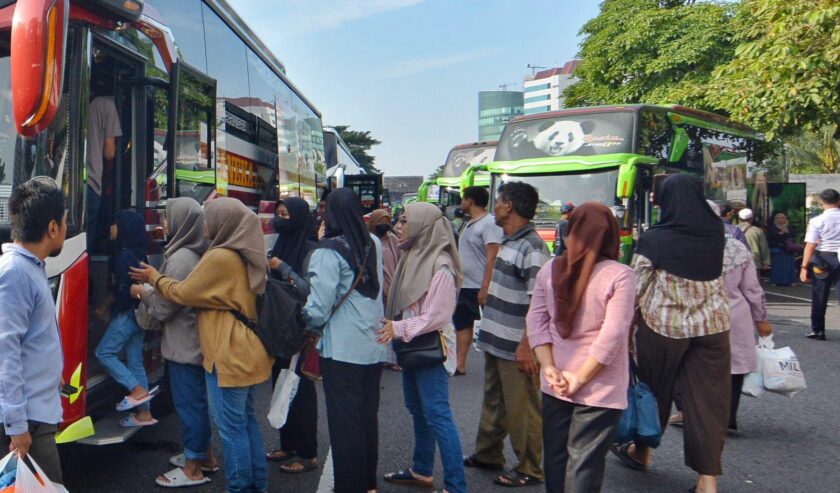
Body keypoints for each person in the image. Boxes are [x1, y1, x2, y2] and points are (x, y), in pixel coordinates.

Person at [130, 198, 273, 493]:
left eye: (211, 219)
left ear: (225, 223)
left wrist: (153, 278)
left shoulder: (221, 257)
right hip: (247, 349)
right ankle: (257, 484)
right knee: (246, 424)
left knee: (231, 430)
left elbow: (181, 293)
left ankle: (239, 487)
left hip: (228, 353)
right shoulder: (241, 253)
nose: (205, 225)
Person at [613, 174, 730, 493]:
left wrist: (624, 327)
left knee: (654, 390)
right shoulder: (715, 231)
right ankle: (707, 481)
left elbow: (635, 287)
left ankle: (642, 451)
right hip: (713, 326)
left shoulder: (656, 238)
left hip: (663, 328)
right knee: (708, 401)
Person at [527, 202, 636, 493]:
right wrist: (580, 377)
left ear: (570, 232)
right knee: (584, 464)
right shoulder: (620, 275)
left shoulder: (551, 269)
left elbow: (536, 322)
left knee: (555, 456)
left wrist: (549, 368)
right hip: (599, 389)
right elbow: (612, 334)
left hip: (554, 382)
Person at [303, 188, 388, 493]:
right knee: (366, 419)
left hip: (343, 350)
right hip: (374, 345)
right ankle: (367, 483)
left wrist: (305, 320)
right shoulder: (374, 242)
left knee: (344, 425)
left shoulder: (328, 251)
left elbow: (319, 306)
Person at [379, 202, 467, 493]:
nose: (399, 225)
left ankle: (456, 486)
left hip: (430, 348)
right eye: (400, 220)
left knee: (438, 415)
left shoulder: (440, 265)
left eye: (405, 221)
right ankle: (421, 470)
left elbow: (436, 316)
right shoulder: (413, 254)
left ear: (423, 226)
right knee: (418, 409)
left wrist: (398, 328)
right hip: (412, 347)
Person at [467, 182, 550, 488]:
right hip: (496, 339)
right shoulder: (510, 240)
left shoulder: (533, 248)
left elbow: (538, 303)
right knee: (495, 401)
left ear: (510, 207)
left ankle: (530, 468)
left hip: (517, 344)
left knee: (523, 408)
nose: (495, 208)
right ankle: (488, 453)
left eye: (499, 202)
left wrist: (528, 346)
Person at [132, 198, 218, 488]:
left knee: (189, 405)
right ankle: (204, 456)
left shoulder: (181, 259)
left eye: (168, 218)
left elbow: (166, 306)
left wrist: (142, 292)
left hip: (184, 346)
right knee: (195, 403)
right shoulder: (192, 253)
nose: (164, 224)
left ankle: (193, 467)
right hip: (190, 342)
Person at [0, 178, 67, 484]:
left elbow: (31, 341)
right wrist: (17, 425)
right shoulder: (15, 272)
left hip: (36, 414)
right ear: (52, 228)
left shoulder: (30, 267)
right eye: (65, 222)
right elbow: (6, 351)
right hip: (29, 422)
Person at [669, 234, 773, 432]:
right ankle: (728, 417)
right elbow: (752, 288)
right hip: (733, 312)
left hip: (692, 312)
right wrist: (761, 318)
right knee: (734, 367)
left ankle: (687, 410)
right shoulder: (736, 248)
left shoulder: (680, 243)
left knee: (684, 362)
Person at [265, 198, 320, 474]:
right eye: (277, 215)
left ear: (298, 218)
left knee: (300, 390)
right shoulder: (281, 243)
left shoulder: (311, 250)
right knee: (280, 383)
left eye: (285, 215)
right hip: (278, 325)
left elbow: (309, 290)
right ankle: (287, 445)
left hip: (300, 328)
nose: (279, 220)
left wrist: (282, 268)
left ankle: (308, 453)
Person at [95, 210, 157, 428]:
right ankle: (144, 413)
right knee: (135, 360)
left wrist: (114, 309)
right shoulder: (140, 254)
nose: (111, 228)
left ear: (125, 229)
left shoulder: (122, 256)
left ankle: (136, 389)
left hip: (128, 316)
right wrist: (106, 305)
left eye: (115, 225)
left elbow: (124, 290)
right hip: (141, 316)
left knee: (103, 352)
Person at [453, 186, 503, 375]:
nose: (461, 203)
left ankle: (496, 365)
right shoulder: (470, 223)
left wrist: (485, 286)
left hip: (480, 285)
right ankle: (460, 363)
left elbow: (492, 256)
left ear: (470, 201)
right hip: (465, 284)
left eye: (463, 199)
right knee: (463, 323)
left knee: (490, 327)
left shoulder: (489, 223)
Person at [86, 90, 122, 252]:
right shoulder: (106, 105)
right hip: (92, 183)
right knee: (87, 244)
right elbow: (110, 152)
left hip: (66, 184)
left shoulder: (63, 97)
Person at [801, 188, 840, 340]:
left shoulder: (817, 221)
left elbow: (810, 245)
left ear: (822, 203)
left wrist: (804, 267)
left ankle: (818, 330)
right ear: (839, 201)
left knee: (820, 294)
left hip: (823, 259)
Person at [768, 211, 799, 286]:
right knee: (777, 267)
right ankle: (776, 280)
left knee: (789, 266)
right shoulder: (772, 228)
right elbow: (771, 238)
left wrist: (784, 233)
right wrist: (781, 237)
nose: (780, 220)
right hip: (777, 250)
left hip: (788, 250)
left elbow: (793, 236)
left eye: (782, 218)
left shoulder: (790, 228)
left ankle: (790, 281)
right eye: (778, 218)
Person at [738, 208, 771, 273]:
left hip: (737, 262)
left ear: (739, 219)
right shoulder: (757, 231)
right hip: (754, 261)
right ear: (751, 219)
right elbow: (764, 247)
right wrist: (766, 262)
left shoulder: (733, 229)